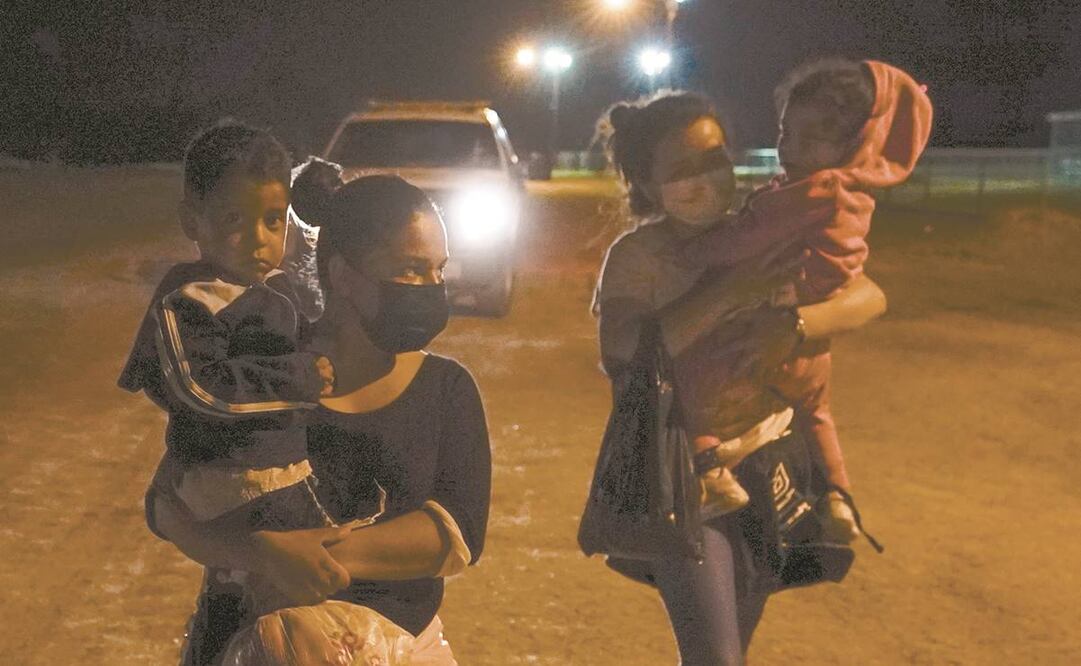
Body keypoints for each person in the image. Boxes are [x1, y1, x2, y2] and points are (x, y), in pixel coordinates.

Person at [147, 166, 492, 665]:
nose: (430, 287)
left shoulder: (445, 388)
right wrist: (258, 553)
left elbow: (456, 534)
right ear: (344, 275)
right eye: (410, 269)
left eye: (438, 270)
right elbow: (167, 499)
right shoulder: (263, 370)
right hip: (245, 645)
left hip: (400, 646)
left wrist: (309, 559)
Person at [593, 91, 888, 665]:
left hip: (771, 464)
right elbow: (622, 351)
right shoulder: (637, 256)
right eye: (682, 169)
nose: (705, 177)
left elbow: (871, 295)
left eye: (714, 157)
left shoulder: (761, 229)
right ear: (649, 187)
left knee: (734, 652)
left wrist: (797, 325)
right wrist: (730, 291)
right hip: (683, 473)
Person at [680, 60, 933, 524]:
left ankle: (710, 472)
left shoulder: (815, 190)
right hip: (812, 346)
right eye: (785, 132)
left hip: (770, 320)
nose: (788, 147)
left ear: (851, 144)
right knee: (818, 412)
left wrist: (694, 251)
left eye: (810, 138)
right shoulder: (856, 193)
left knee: (690, 378)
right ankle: (839, 495)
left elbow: (745, 238)